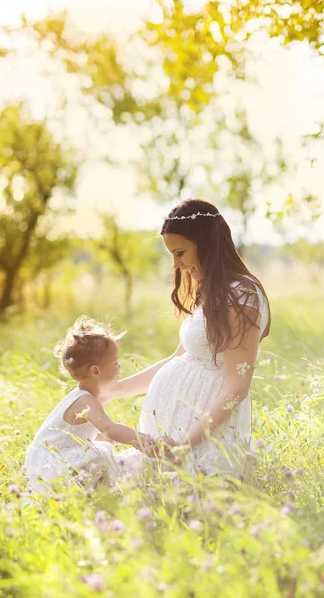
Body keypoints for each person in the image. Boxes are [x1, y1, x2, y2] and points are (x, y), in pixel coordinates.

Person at [104, 199, 271, 479]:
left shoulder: (242, 295)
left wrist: (186, 444)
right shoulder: (216, 292)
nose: (177, 265)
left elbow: (237, 387)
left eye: (180, 253)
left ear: (206, 244)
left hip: (199, 435)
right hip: (175, 428)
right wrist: (111, 392)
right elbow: (177, 359)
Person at [25, 316, 153, 494]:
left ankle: (94, 499)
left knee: (98, 453)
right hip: (50, 460)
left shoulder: (85, 397)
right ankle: (99, 498)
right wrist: (143, 440)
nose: (120, 368)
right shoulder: (85, 400)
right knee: (99, 458)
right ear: (96, 371)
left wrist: (99, 438)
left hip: (53, 454)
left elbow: (73, 435)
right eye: (116, 363)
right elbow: (109, 427)